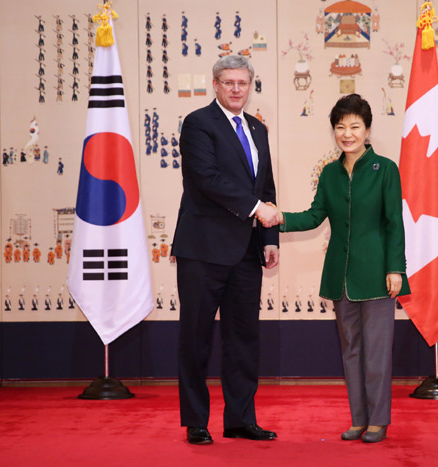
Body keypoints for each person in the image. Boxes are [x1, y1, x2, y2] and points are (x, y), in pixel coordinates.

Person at [269, 94, 410, 443]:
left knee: (376, 352)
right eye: (340, 127)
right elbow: (316, 216)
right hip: (340, 277)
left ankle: (378, 420)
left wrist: (396, 268)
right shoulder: (330, 173)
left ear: (367, 129)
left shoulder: (385, 169)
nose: (347, 134)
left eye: (354, 127)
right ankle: (359, 419)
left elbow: (395, 223)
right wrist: (280, 218)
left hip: (378, 275)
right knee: (351, 352)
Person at [169, 55, 279, 445]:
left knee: (243, 339)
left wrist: (269, 240)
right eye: (228, 82)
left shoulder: (257, 129)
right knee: (196, 337)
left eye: (242, 83)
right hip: (203, 250)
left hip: (247, 252)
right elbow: (207, 178)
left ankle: (239, 419)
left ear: (250, 86)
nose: (236, 89)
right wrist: (256, 209)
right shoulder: (199, 124)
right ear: (214, 85)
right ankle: (196, 421)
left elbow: (265, 187)